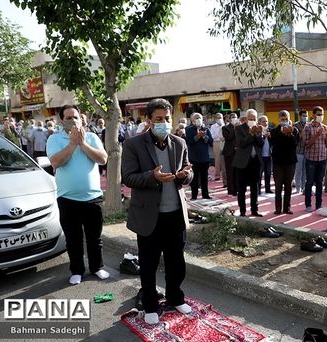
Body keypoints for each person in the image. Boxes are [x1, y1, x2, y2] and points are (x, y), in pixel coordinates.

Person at [121, 98, 194, 324]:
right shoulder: (134, 145)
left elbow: (188, 174)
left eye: (167, 119)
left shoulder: (180, 143)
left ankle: (175, 296)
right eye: (159, 119)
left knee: (176, 262)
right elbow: (128, 177)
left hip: (175, 214)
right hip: (149, 216)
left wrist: (185, 175)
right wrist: (152, 176)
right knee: (149, 263)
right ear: (149, 121)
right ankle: (151, 304)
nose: (164, 123)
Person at [46, 104, 110, 285]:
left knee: (94, 237)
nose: (73, 120)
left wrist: (82, 143)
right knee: (73, 239)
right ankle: (77, 270)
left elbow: (102, 159)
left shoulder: (91, 137)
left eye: (76, 117)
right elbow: (56, 162)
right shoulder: (54, 139)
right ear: (61, 121)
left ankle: (97, 267)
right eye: (69, 118)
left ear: (82, 119)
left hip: (93, 198)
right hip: (67, 199)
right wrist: (73, 144)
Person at [232, 109, 264, 217]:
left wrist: (258, 134)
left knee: (255, 188)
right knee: (241, 189)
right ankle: (242, 211)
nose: (252, 120)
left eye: (254, 119)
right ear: (246, 119)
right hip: (242, 163)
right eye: (250, 119)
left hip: (255, 162)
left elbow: (261, 144)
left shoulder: (259, 128)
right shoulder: (239, 129)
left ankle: (254, 210)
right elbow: (242, 144)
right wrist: (250, 134)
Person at [303, 106, 327, 212]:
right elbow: (306, 144)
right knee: (309, 182)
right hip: (311, 159)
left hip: (322, 159)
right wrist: (316, 135)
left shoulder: (324, 127)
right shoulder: (308, 127)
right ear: (313, 115)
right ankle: (308, 204)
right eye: (318, 114)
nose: (321, 116)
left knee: (320, 182)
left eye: (322, 114)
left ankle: (319, 205)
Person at [270, 110, 298, 214]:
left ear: (289, 119)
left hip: (290, 162)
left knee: (288, 186)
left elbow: (295, 144)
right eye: (282, 119)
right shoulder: (274, 131)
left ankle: (287, 208)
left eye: (286, 119)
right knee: (278, 186)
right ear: (279, 120)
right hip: (278, 162)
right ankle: (278, 208)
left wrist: (289, 134)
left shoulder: (294, 130)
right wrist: (282, 134)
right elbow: (274, 144)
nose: (284, 121)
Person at [185, 112, 213, 200]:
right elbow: (189, 142)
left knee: (204, 177)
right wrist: (197, 136)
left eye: (199, 118)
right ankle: (194, 195)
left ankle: (205, 194)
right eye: (196, 118)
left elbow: (211, 141)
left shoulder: (206, 129)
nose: (198, 120)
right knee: (194, 178)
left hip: (204, 157)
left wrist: (205, 137)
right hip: (194, 157)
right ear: (192, 120)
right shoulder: (189, 129)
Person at [294, 109, 308, 194]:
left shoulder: (309, 125)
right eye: (303, 116)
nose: (305, 118)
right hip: (299, 151)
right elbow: (295, 139)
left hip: (307, 151)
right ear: (300, 116)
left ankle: (303, 187)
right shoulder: (295, 125)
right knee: (298, 170)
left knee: (305, 170)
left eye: (306, 116)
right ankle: (297, 188)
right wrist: (300, 134)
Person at [258, 115, 273, 194]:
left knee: (268, 173)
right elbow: (259, 143)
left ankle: (268, 189)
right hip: (260, 156)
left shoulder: (270, 130)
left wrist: (270, 137)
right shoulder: (258, 131)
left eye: (266, 121)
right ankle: (258, 190)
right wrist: (264, 136)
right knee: (259, 174)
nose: (265, 123)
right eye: (263, 121)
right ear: (259, 122)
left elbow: (273, 143)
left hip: (268, 156)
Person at [210, 113, 225, 181]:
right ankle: (217, 175)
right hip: (216, 143)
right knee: (217, 159)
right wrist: (220, 136)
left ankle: (224, 175)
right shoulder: (213, 126)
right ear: (216, 119)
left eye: (220, 117)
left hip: (224, 142)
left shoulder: (225, 125)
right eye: (218, 118)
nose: (219, 119)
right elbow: (213, 136)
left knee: (224, 159)